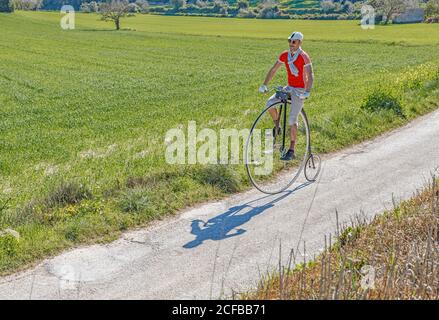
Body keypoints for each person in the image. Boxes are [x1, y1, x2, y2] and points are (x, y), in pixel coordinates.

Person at [259, 31, 314, 161]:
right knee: (269, 104)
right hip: (289, 87)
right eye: (289, 41)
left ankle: (291, 149)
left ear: (300, 42)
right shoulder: (285, 55)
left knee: (292, 120)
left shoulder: (304, 56)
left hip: (299, 90)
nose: (291, 44)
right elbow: (273, 70)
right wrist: (264, 84)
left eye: (294, 42)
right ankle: (277, 126)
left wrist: (307, 91)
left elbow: (310, 75)